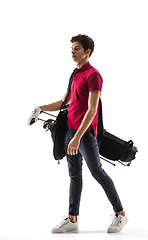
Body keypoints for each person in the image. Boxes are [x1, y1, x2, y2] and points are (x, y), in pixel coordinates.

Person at [28, 34, 128, 233]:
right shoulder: (74, 73)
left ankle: (120, 214)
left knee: (97, 172)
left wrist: (77, 138)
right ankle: (72, 218)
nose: (72, 51)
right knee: (74, 175)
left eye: (77, 48)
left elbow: (91, 110)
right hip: (69, 132)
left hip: (84, 135)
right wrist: (40, 108)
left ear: (87, 52)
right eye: (72, 48)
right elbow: (64, 102)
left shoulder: (93, 75)